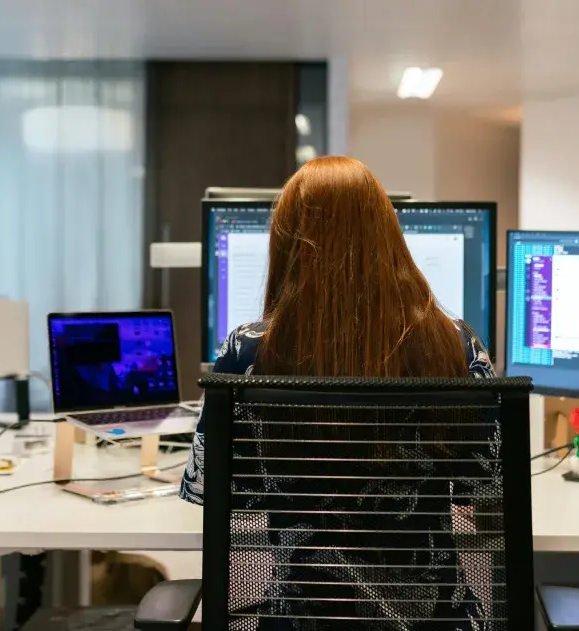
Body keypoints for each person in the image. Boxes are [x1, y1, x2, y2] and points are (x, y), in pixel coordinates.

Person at [177, 156, 495, 627]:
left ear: (286, 245)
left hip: (300, 620)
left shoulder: (246, 353)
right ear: (389, 237)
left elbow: (214, 491)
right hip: (433, 619)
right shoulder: (457, 345)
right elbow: (488, 495)